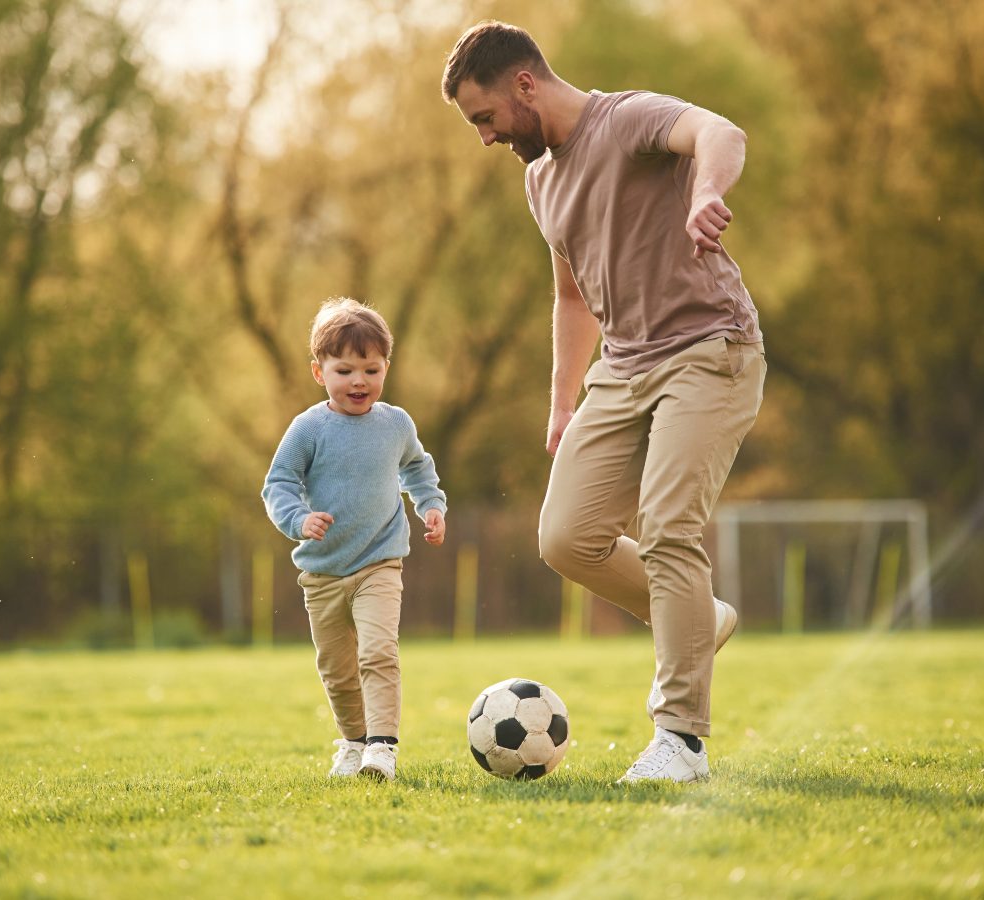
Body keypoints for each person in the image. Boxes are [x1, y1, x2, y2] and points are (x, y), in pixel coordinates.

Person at [442, 22, 765, 783]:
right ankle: (698, 619)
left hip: (708, 348)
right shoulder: (538, 180)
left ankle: (681, 741)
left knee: (668, 526)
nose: (484, 138)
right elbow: (569, 292)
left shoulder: (625, 120)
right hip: (622, 368)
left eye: (484, 118)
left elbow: (721, 130)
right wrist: (562, 401)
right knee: (565, 536)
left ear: (525, 84)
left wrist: (707, 192)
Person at [262, 297, 447, 782]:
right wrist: (298, 519)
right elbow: (277, 484)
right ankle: (353, 742)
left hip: (379, 563)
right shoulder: (309, 428)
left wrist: (430, 505)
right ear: (319, 372)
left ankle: (382, 748)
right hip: (322, 571)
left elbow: (417, 467)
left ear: (387, 366)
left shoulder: (396, 424)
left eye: (371, 368)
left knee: (378, 652)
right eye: (345, 370)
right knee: (338, 670)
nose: (359, 381)